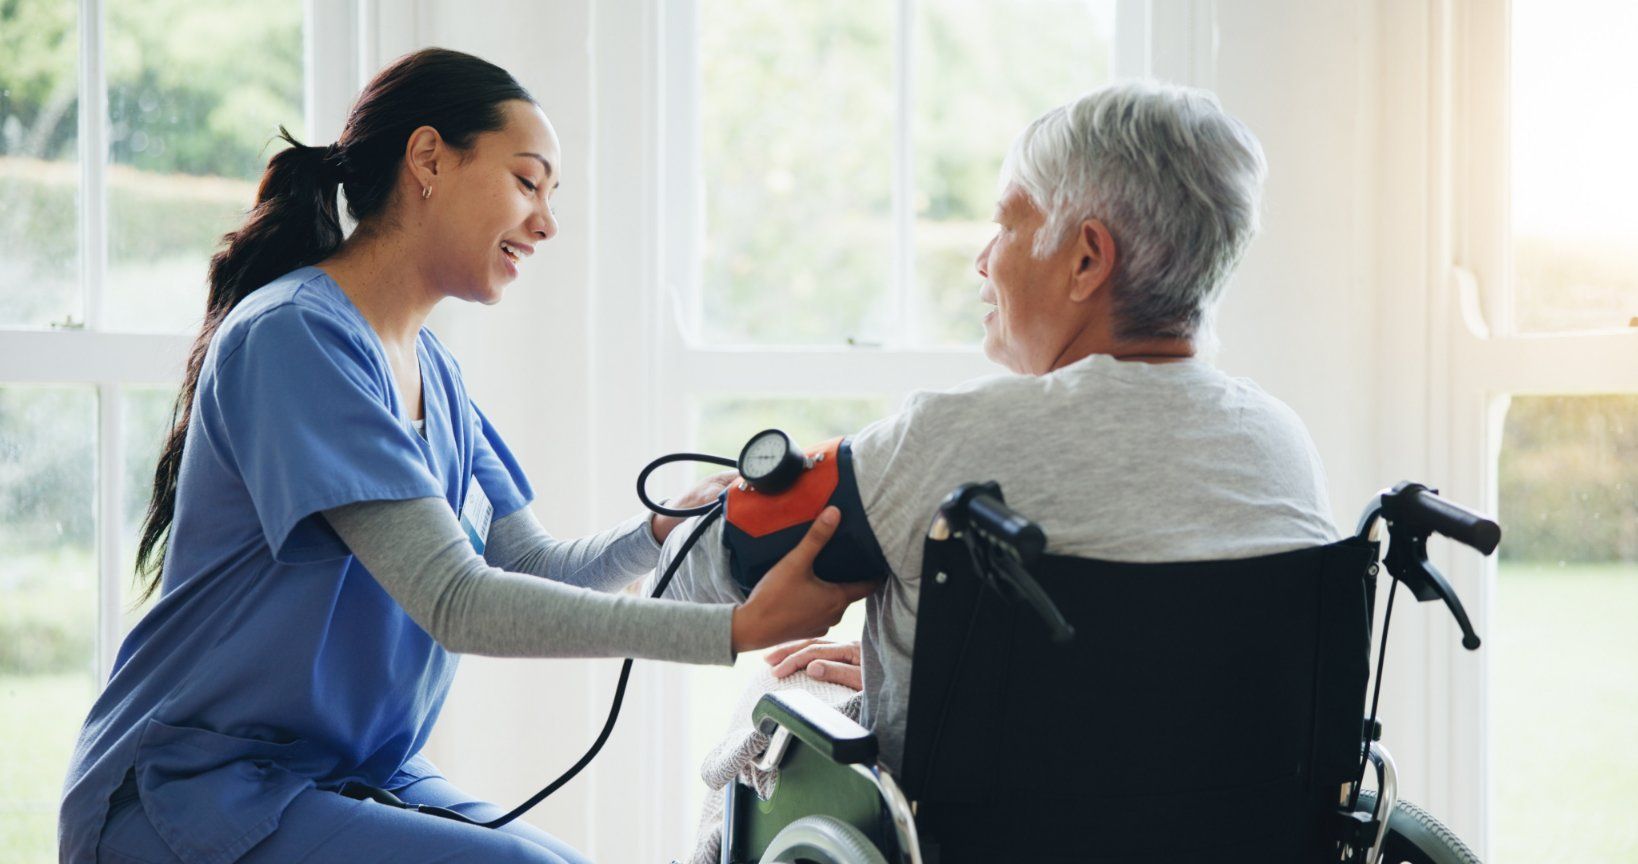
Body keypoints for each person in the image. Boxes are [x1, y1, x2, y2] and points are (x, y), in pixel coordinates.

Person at [57, 48, 871, 864]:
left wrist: (658, 532)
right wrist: (735, 630)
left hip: (346, 773)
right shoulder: (295, 336)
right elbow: (456, 600)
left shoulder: (434, 371)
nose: (547, 222)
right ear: (429, 160)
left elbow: (529, 564)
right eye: (527, 182)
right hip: (192, 791)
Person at [653, 80, 1340, 781]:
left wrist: (681, 522)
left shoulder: (951, 448)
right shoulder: (1283, 449)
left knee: (776, 699)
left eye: (1007, 225)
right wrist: (934, 680)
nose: (983, 261)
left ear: (1087, 260)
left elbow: (693, 578)